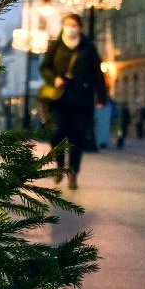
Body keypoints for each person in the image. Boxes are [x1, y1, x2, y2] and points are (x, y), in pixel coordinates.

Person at [38, 13, 108, 190]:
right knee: (56, 133)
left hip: (81, 100)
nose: (71, 28)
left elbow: (97, 73)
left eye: (74, 25)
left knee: (77, 139)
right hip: (58, 100)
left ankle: (73, 173)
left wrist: (101, 96)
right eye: (67, 24)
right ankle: (60, 164)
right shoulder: (56, 45)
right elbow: (45, 67)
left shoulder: (88, 47)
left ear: (80, 27)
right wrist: (54, 79)